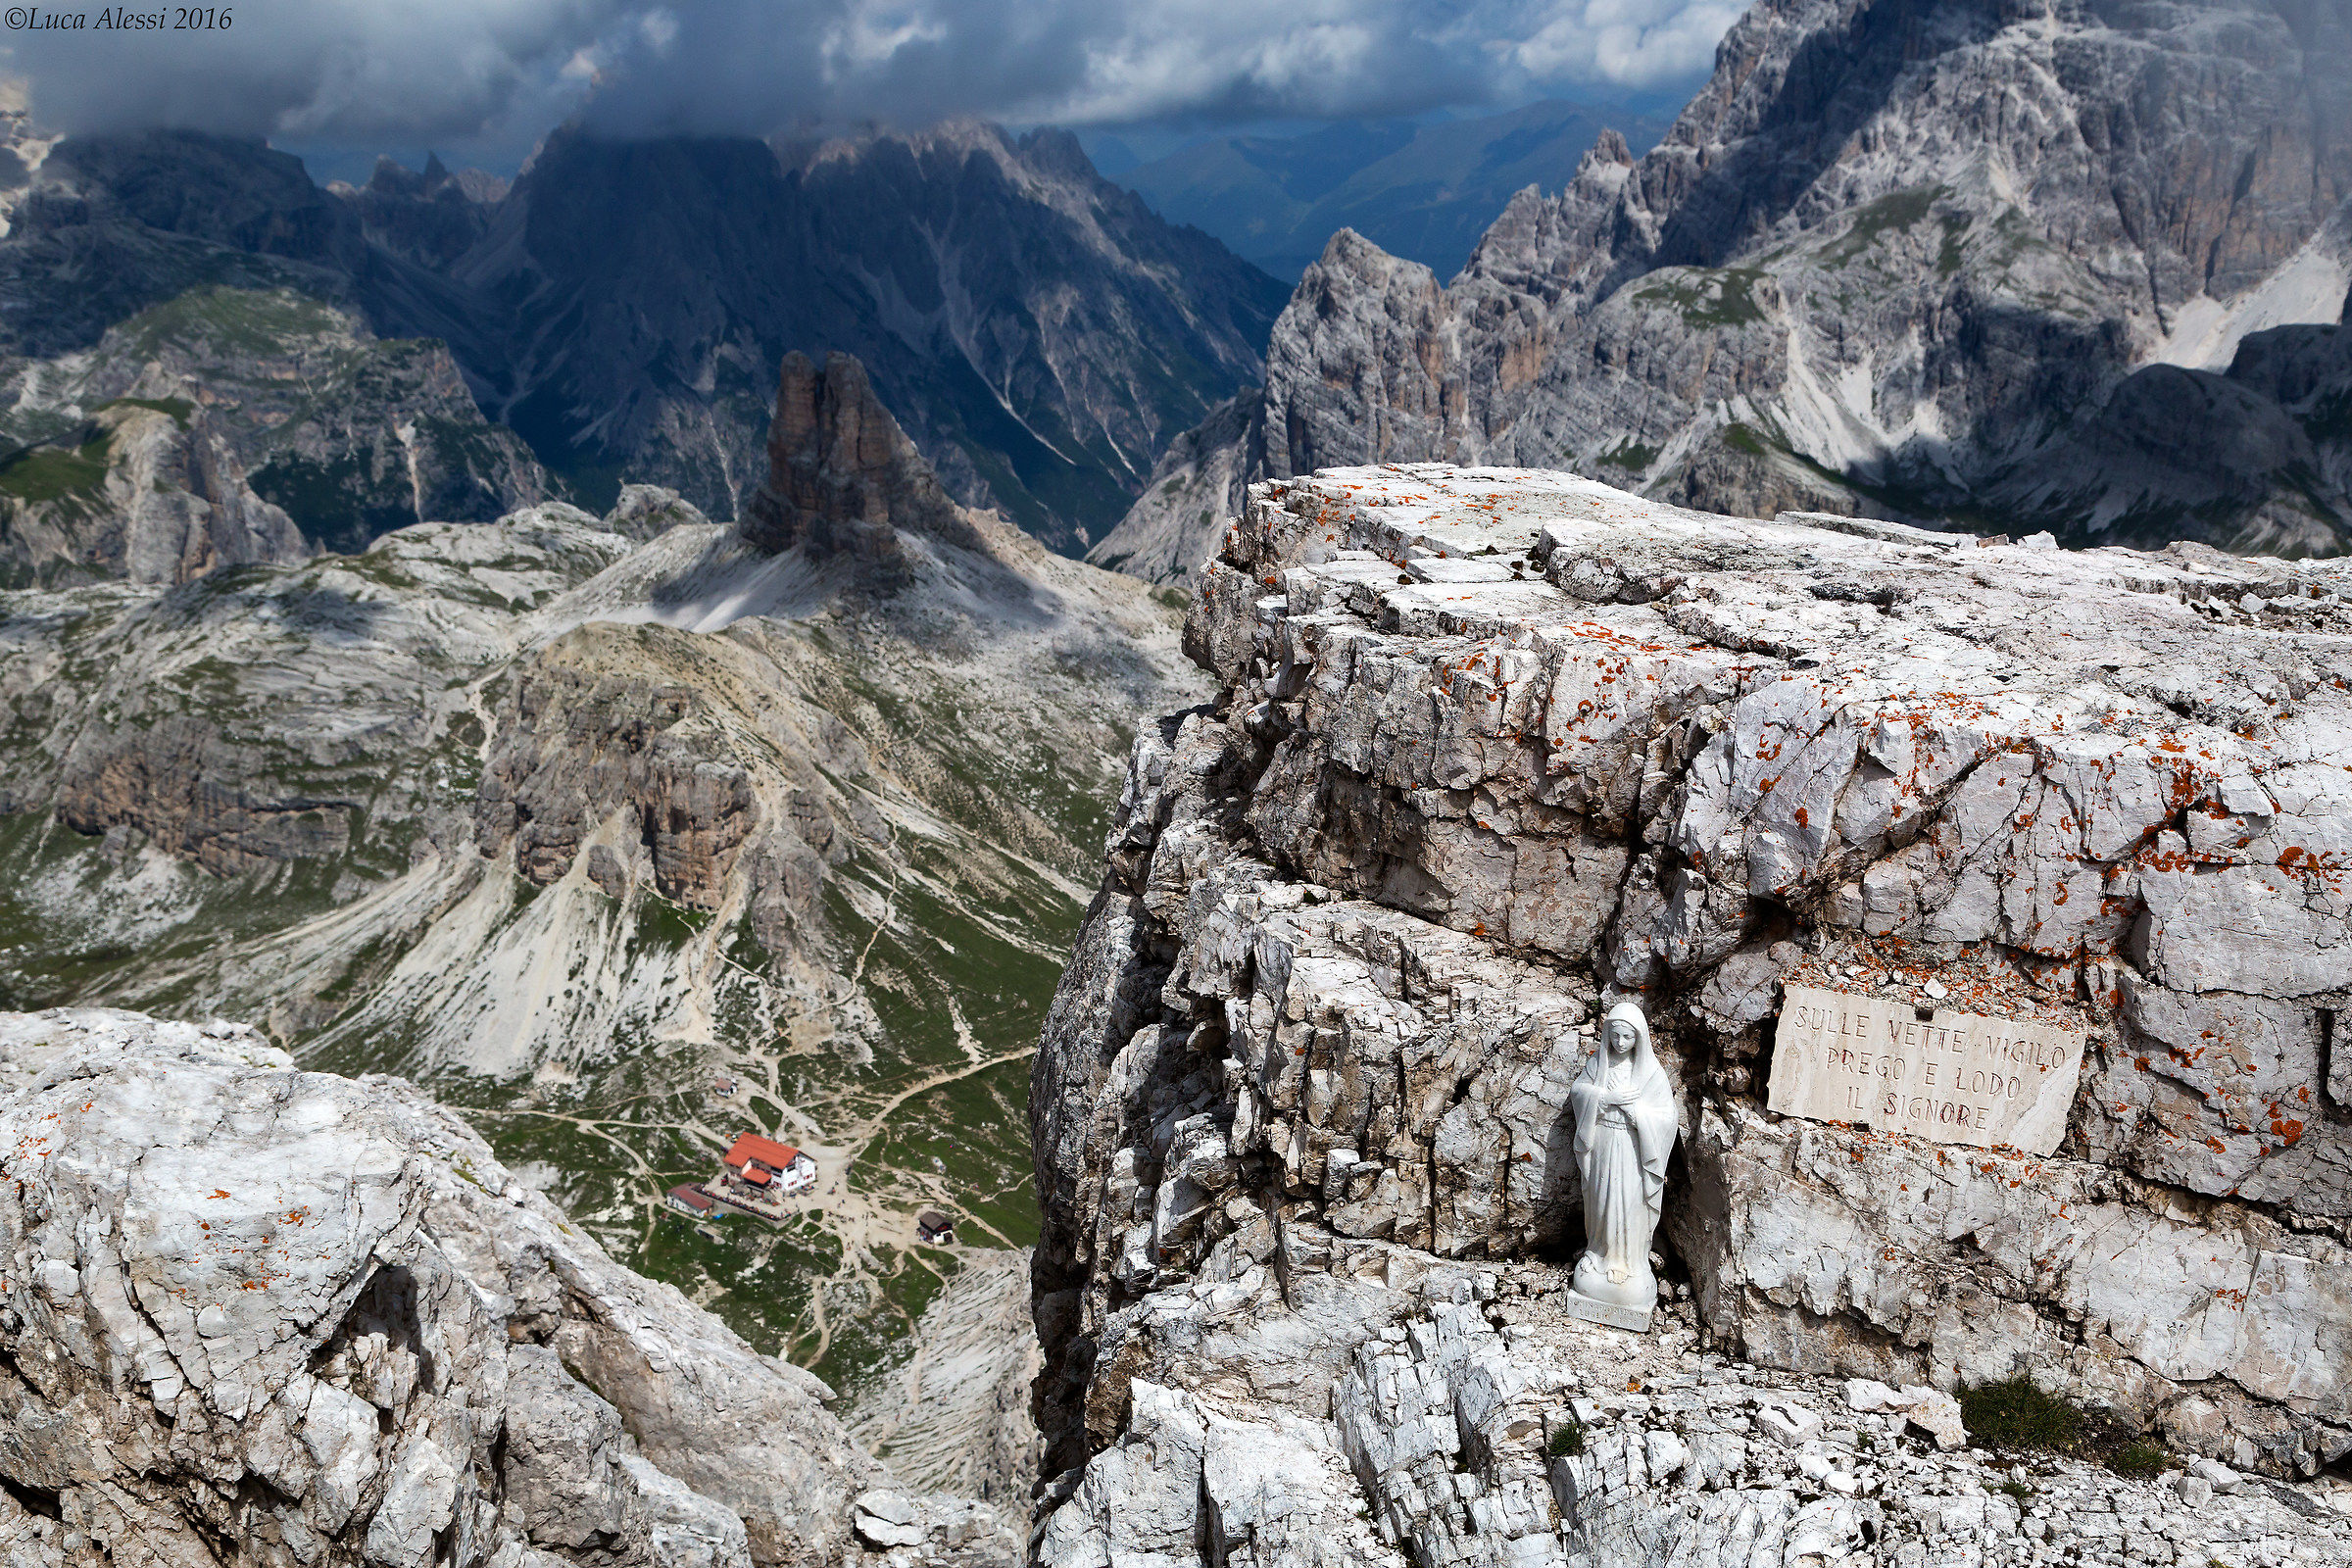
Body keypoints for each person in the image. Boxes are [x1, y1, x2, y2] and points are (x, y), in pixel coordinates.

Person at [1567, 1001, 1678, 1311]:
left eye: (1627, 1036)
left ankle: (1629, 1263)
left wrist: (1637, 1115)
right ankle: (1598, 1253)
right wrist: (1605, 1097)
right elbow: (1579, 1092)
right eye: (1614, 1035)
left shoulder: (1651, 1073)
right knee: (1601, 1199)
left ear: (1639, 1037)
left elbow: (1667, 1117)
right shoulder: (1599, 1064)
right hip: (1603, 1142)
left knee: (1629, 1203)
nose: (1620, 1042)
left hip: (1632, 1150)